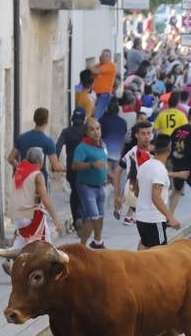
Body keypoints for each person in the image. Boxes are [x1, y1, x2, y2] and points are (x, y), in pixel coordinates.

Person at [132, 134, 181, 249]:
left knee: (145, 246)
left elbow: (136, 192)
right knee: (160, 256)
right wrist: (171, 217)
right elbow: (156, 196)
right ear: (169, 150)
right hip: (154, 219)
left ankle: (136, 266)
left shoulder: (144, 165)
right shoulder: (160, 170)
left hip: (141, 218)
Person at [8, 145, 61, 248]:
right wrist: (56, 220)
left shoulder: (19, 171)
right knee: (45, 243)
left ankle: (11, 258)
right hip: (29, 215)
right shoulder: (37, 175)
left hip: (17, 216)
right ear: (41, 161)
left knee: (23, 239)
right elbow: (45, 199)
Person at [71, 117, 110, 249]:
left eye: (98, 129)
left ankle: (97, 241)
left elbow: (105, 164)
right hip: (86, 186)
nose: (96, 132)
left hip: (101, 186)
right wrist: (92, 165)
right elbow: (75, 166)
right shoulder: (82, 147)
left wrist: (112, 177)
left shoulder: (103, 145)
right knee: (94, 217)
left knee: (99, 216)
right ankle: (83, 246)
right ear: (86, 132)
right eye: (92, 129)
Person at [114, 120, 154, 224]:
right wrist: (116, 196)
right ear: (136, 135)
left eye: (149, 133)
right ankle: (128, 216)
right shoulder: (131, 153)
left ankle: (127, 215)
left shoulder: (156, 151)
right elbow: (118, 171)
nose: (147, 136)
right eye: (143, 134)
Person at [8, 107, 62, 182]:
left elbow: (10, 159)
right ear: (46, 121)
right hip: (39, 180)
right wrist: (64, 167)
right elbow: (55, 167)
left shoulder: (21, 137)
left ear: (34, 120)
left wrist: (20, 168)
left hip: (23, 178)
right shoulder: (48, 141)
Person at [56, 107, 87, 231]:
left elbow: (57, 147)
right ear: (84, 118)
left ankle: (76, 219)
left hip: (72, 168)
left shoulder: (66, 132)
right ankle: (83, 218)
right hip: (85, 167)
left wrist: (56, 163)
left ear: (72, 118)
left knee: (74, 191)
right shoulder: (87, 131)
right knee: (85, 192)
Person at [90, 49, 117, 118]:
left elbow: (96, 71)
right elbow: (90, 73)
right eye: (103, 55)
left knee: (97, 116)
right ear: (100, 56)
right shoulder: (98, 65)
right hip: (94, 94)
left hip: (104, 94)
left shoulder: (110, 65)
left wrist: (89, 66)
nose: (105, 57)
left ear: (110, 58)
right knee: (92, 114)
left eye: (107, 56)